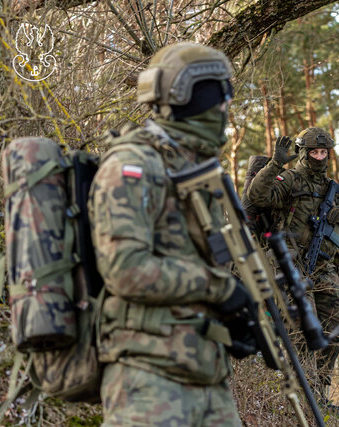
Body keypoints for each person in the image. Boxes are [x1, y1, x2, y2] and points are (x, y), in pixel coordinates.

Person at [89, 42, 252, 426]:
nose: (226, 106)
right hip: (147, 381)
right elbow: (125, 269)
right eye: (220, 95)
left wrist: (235, 320)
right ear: (196, 96)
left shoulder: (196, 171)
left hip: (207, 377)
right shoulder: (132, 164)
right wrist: (219, 289)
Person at [246, 128, 339, 409]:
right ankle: (303, 398)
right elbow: (257, 196)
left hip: (322, 267)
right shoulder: (290, 180)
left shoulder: (332, 187)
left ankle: (317, 392)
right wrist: (275, 164)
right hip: (290, 263)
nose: (320, 157)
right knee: (305, 330)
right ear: (304, 153)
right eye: (314, 152)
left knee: (338, 326)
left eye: (324, 152)